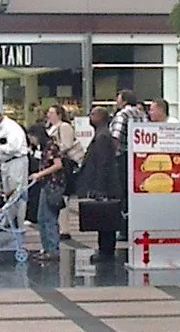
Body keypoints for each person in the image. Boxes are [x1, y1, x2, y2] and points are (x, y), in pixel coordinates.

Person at [77, 107, 120, 262]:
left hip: (106, 186)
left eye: (93, 114)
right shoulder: (101, 134)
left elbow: (103, 164)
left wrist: (99, 188)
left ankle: (106, 251)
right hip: (105, 185)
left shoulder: (102, 137)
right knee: (104, 220)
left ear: (101, 117)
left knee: (105, 220)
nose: (90, 116)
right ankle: (104, 249)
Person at [109, 89, 147, 239]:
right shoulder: (141, 114)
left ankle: (124, 228)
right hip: (139, 157)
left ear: (124, 100)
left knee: (123, 192)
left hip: (123, 156)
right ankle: (137, 224)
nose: (116, 101)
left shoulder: (122, 114)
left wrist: (112, 153)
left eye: (118, 98)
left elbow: (115, 136)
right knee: (136, 192)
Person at [46, 104, 85, 240]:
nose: (48, 115)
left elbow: (66, 145)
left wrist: (52, 152)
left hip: (65, 164)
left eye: (51, 113)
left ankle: (64, 228)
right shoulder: (50, 128)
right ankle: (58, 225)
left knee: (63, 196)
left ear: (59, 114)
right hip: (55, 164)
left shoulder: (64, 127)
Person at [27, 124, 65, 261]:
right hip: (45, 184)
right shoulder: (42, 148)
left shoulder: (51, 147)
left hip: (53, 185)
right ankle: (47, 248)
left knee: (49, 218)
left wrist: (40, 173)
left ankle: (53, 249)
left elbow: (58, 164)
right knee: (41, 218)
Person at [0, 109, 29, 229]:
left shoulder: (11, 127)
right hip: (5, 163)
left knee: (17, 193)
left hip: (16, 161)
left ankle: (19, 223)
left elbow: (13, 147)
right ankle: (8, 221)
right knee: (8, 195)